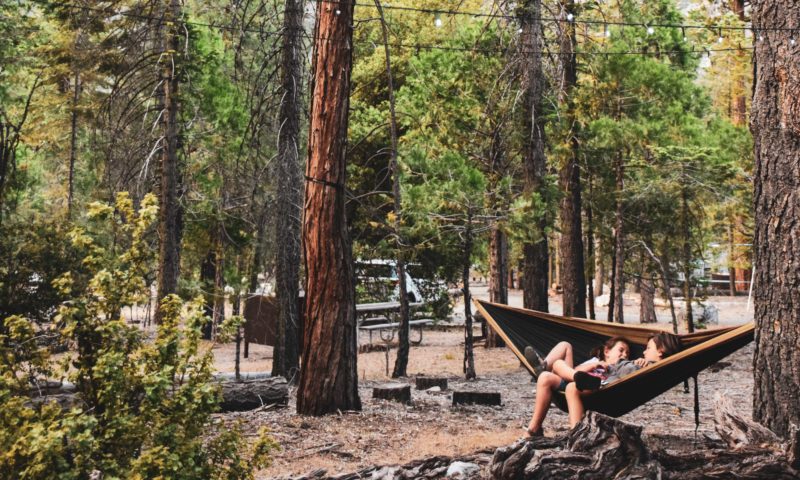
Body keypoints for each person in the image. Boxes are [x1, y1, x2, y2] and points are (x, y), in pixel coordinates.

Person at [563, 331, 682, 429]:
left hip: (607, 387)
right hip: (604, 384)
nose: (644, 351)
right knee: (560, 373)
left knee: (571, 387)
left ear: (661, 350)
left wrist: (632, 364)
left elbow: (626, 370)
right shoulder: (647, 366)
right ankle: (576, 433)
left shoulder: (644, 366)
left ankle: (575, 434)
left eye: (648, 348)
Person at [524, 336, 631, 438]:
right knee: (559, 356)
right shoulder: (594, 361)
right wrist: (594, 365)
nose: (624, 355)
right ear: (607, 351)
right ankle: (544, 366)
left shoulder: (621, 366)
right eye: (621, 350)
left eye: (627, 353)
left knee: (549, 374)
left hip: (591, 387)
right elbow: (577, 369)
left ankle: (533, 430)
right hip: (573, 378)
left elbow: (633, 369)